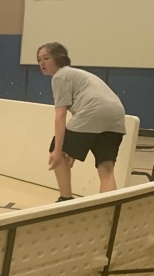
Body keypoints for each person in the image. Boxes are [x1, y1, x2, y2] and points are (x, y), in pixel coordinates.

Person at [37, 42, 127, 202]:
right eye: (39, 60)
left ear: (58, 58)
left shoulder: (60, 76)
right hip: (116, 115)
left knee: (58, 148)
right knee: (106, 167)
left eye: (46, 58)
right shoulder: (78, 74)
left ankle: (65, 199)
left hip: (93, 112)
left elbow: (60, 115)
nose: (42, 63)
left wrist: (58, 152)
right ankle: (110, 208)